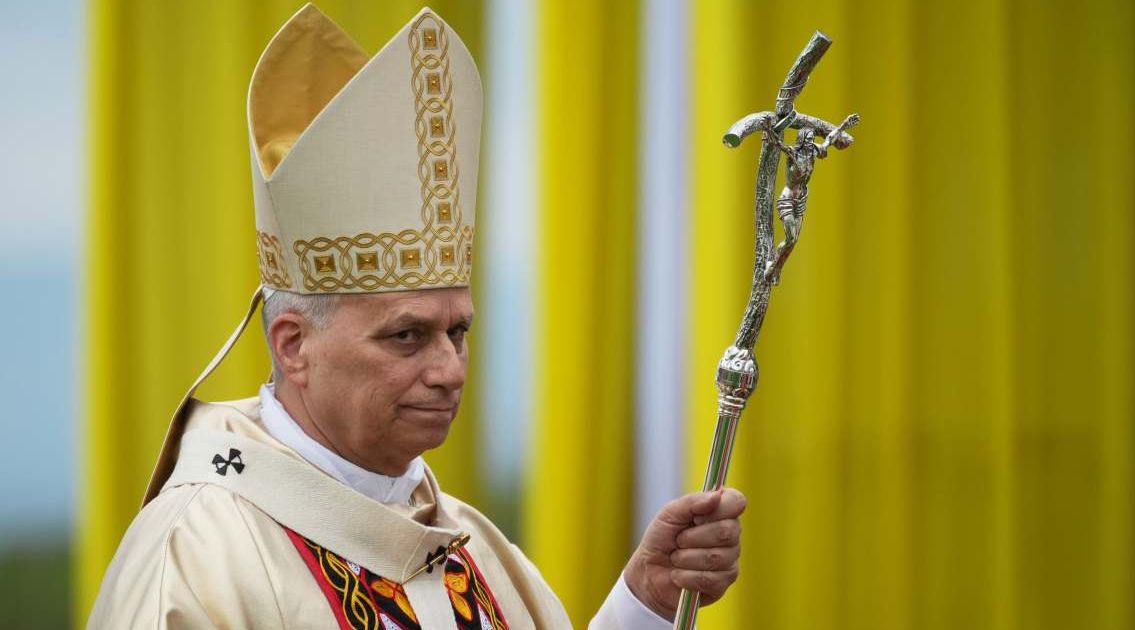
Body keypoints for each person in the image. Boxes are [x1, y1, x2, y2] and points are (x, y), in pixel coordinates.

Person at [87, 5, 745, 628]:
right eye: (407, 336)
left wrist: (645, 602)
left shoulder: (467, 544)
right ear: (293, 346)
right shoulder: (197, 554)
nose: (449, 371)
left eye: (458, 332)